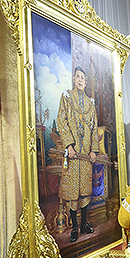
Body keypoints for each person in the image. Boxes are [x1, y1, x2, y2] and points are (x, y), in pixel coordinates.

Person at [57, 66, 98, 243]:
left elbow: (94, 127)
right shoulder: (67, 96)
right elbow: (62, 120)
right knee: (73, 191)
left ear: (86, 82)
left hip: (86, 155)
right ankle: (74, 227)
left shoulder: (90, 103)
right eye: (78, 77)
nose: (80, 80)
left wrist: (93, 150)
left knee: (85, 191)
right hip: (73, 154)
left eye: (83, 78)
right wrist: (69, 145)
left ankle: (84, 224)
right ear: (74, 79)